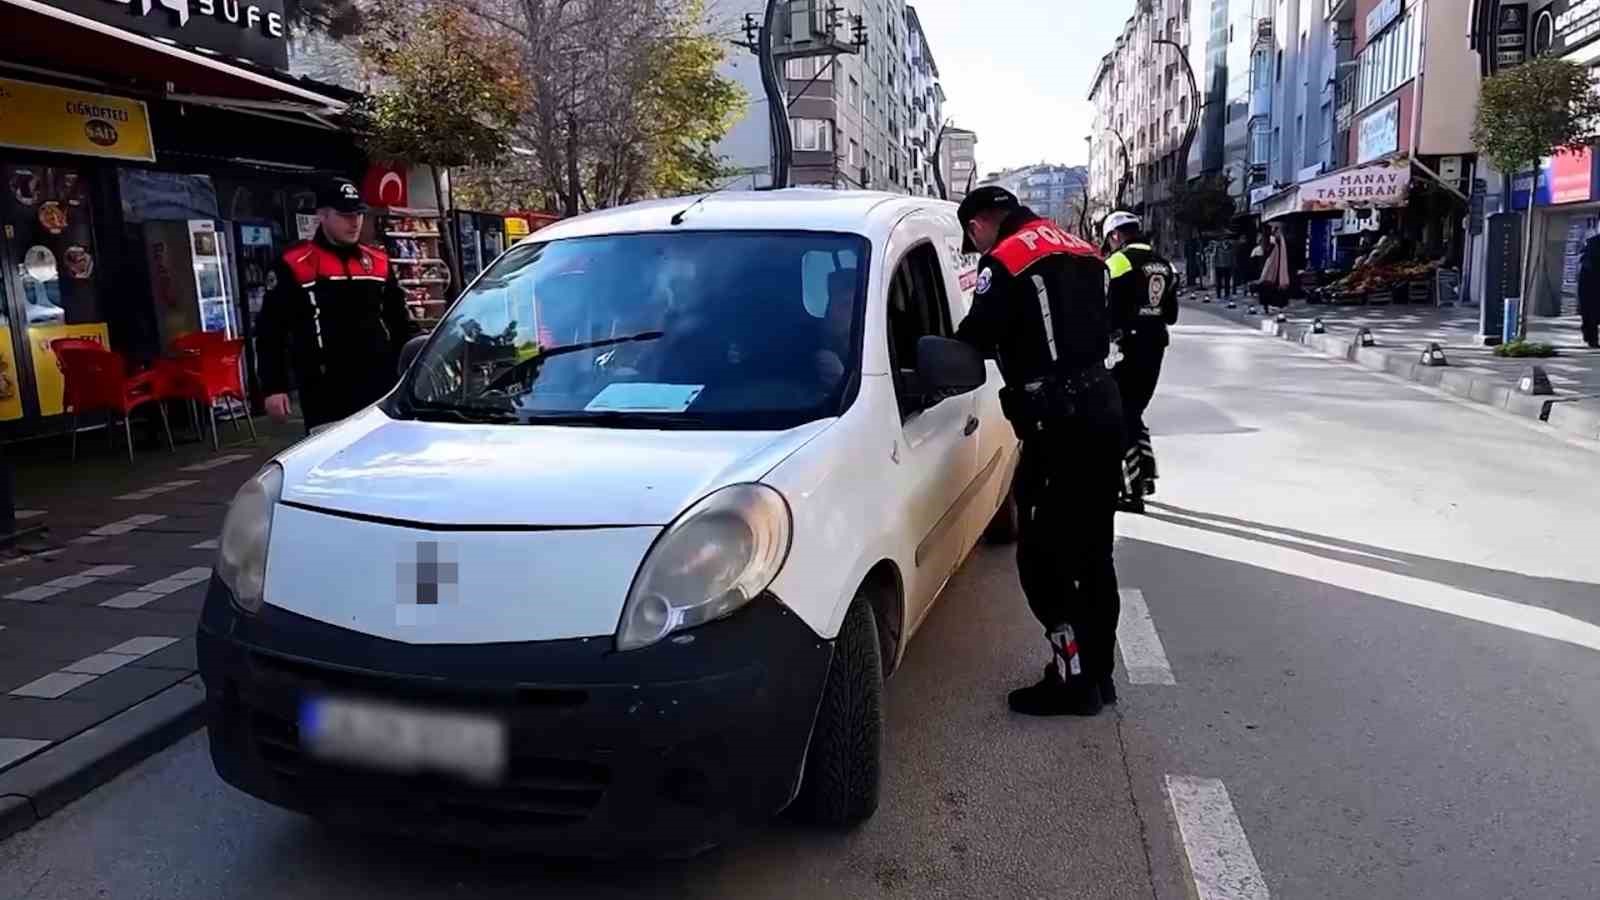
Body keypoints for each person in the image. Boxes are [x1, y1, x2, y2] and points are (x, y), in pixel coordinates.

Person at [952, 186, 1126, 718]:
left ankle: (1072, 683)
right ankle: (1098, 674)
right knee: (1093, 552)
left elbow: (974, 338)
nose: (978, 246)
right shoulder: (1084, 249)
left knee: (1042, 558)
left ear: (980, 224)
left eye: (974, 238)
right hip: (1103, 410)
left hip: (1058, 425)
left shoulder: (1005, 260)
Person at [257, 178, 417, 434]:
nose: (354, 222)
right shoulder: (293, 264)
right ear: (322, 215)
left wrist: (416, 368)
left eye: (358, 214)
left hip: (380, 386)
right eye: (345, 215)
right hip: (325, 391)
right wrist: (273, 387)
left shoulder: (378, 262)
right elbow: (270, 331)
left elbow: (400, 323)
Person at [1103, 211, 1178, 514]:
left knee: (1122, 416)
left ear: (1115, 236)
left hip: (1126, 349)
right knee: (1134, 411)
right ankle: (1145, 474)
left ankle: (1132, 491)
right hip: (1155, 345)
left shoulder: (1117, 262)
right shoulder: (1164, 264)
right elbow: (1171, 314)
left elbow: (1105, 310)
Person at [1580, 233, 1600, 349]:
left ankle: (1591, 338)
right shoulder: (1593, 243)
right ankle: (1591, 338)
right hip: (1592, 285)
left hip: (1591, 285)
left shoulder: (1592, 243)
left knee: (1591, 313)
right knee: (1591, 313)